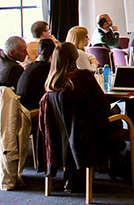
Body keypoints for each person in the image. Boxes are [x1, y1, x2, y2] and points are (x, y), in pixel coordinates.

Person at [44, 42, 121, 192]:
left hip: (59, 137)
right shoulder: (83, 76)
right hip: (87, 135)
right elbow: (104, 105)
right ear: (75, 57)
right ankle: (112, 165)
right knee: (117, 117)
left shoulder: (50, 83)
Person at [16, 38, 55, 110]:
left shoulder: (31, 66)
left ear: (37, 53)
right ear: (54, 53)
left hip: (21, 105)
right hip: (32, 107)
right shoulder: (47, 68)